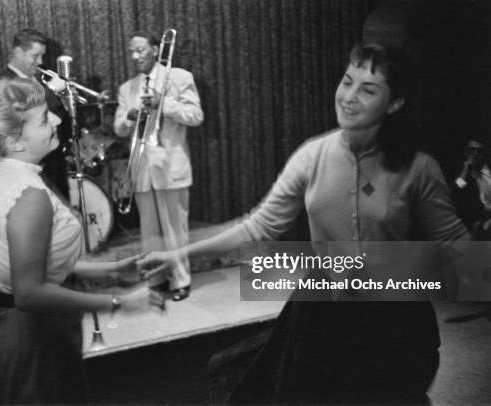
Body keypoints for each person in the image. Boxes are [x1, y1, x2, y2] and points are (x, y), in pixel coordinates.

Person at [139, 43, 470, 404]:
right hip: (324, 315)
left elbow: (455, 244)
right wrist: (180, 254)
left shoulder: (419, 168)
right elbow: (258, 227)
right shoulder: (312, 156)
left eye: (368, 89)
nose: (349, 97)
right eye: (347, 81)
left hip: (394, 318)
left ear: (394, 103)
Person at [0, 78, 164, 404]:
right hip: (31, 336)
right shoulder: (28, 195)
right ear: (15, 141)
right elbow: (29, 292)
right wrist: (120, 303)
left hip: (19, 331)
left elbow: (32, 263)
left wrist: (110, 270)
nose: (56, 120)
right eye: (43, 119)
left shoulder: (1, 172)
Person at [114, 30, 204, 301]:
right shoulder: (127, 88)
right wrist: (128, 118)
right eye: (131, 51)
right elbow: (119, 128)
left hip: (170, 167)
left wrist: (163, 103)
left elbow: (195, 115)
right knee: (150, 232)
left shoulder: (179, 77)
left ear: (155, 49)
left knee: (176, 230)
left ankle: (180, 280)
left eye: (140, 49)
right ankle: (157, 278)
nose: (135, 55)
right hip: (142, 169)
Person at [0, 28, 71, 199]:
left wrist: (66, 100)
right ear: (18, 52)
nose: (40, 61)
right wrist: (52, 90)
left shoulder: (40, 79)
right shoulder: (0, 82)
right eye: (35, 56)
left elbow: (61, 118)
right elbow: (20, 121)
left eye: (42, 55)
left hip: (55, 163)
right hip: (27, 167)